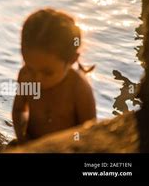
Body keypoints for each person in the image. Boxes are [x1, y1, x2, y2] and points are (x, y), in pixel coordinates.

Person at [12, 8, 96, 143]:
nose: (37, 79)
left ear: (72, 60)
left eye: (47, 73)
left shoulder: (78, 89)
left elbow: (89, 132)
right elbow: (18, 110)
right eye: (30, 68)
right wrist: (23, 139)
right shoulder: (26, 76)